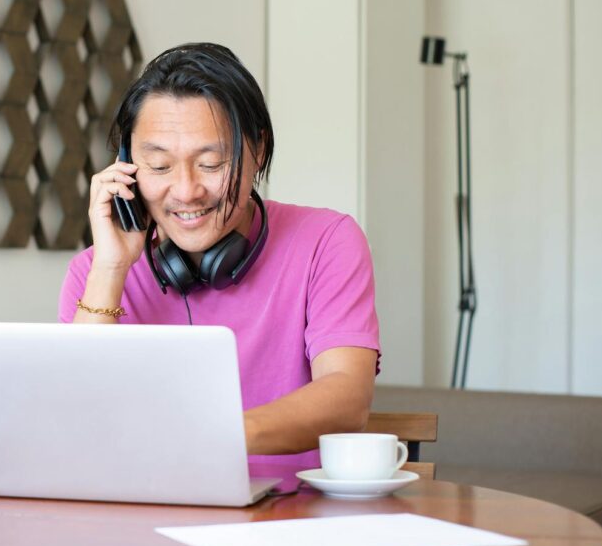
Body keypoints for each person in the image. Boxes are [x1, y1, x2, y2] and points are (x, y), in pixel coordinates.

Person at [58, 42, 379, 468]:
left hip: (289, 519)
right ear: (126, 167)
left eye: (211, 164)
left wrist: (218, 434)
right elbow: (71, 421)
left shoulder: (327, 242)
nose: (186, 190)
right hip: (140, 518)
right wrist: (111, 268)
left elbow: (347, 395)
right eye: (158, 167)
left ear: (258, 151)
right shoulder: (95, 271)